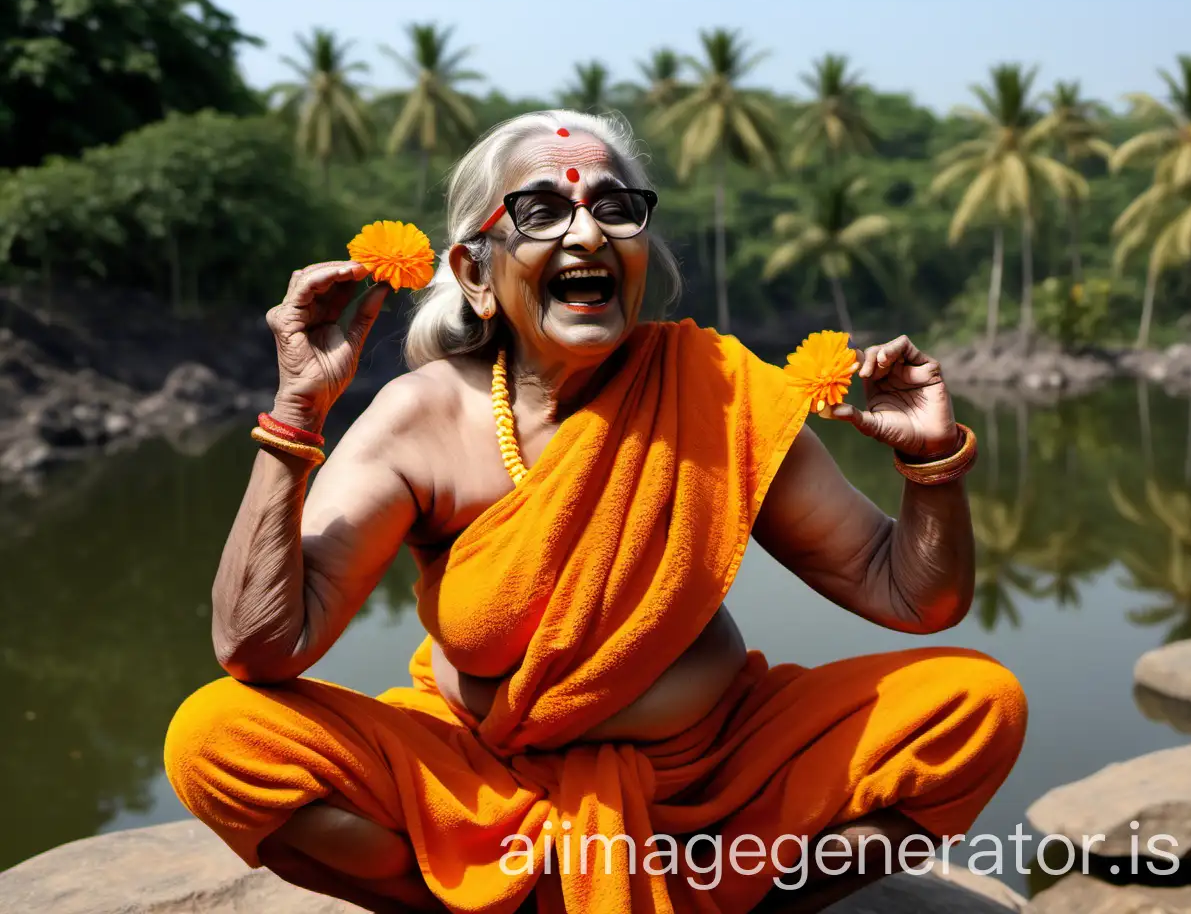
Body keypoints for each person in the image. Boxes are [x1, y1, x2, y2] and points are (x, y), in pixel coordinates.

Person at [163, 109, 1027, 914]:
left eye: (616, 207)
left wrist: (930, 463)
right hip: (482, 780)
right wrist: (296, 415)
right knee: (215, 738)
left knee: (974, 705)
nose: (588, 232)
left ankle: (732, 903)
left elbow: (914, 598)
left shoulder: (718, 390)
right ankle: (496, 897)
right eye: (541, 210)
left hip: (716, 781)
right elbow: (258, 647)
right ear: (473, 271)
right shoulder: (418, 418)